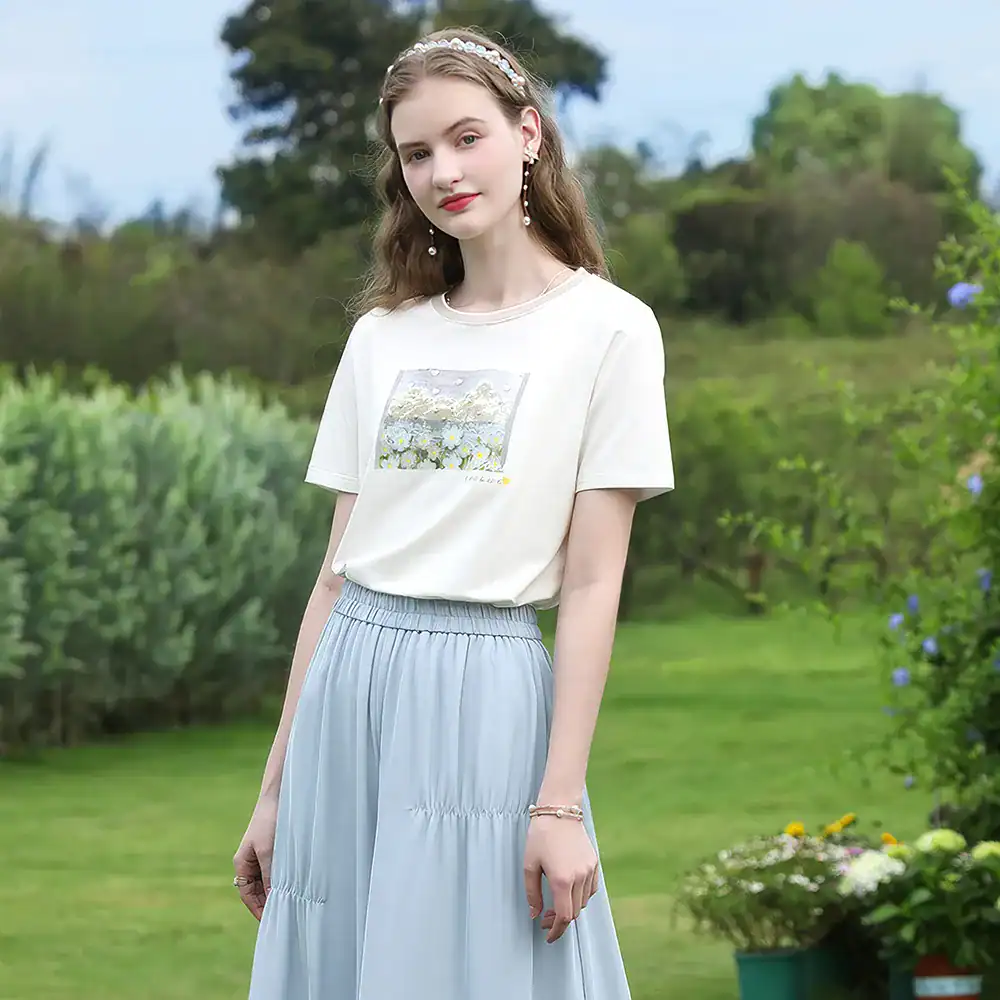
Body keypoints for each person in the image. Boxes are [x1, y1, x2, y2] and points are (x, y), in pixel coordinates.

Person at [233, 26, 674, 1000]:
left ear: (529, 136)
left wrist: (558, 804)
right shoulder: (380, 338)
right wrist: (275, 789)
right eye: (417, 152)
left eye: (466, 137)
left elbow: (595, 581)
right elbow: (334, 574)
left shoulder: (609, 332)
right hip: (349, 682)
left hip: (485, 693)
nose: (444, 170)